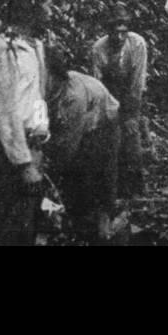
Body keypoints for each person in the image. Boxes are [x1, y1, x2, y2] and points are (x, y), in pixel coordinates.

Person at [0, 0, 51, 246]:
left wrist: (41, 138)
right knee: (8, 229)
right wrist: (23, 163)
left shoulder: (35, 47)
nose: (49, 9)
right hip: (11, 153)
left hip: (32, 145)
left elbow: (36, 97)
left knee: (27, 227)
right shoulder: (3, 49)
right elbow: (4, 110)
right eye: (45, 2)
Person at [47, 45, 121, 243]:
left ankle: (101, 226)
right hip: (87, 122)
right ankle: (78, 220)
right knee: (76, 177)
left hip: (105, 123)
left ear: (55, 75)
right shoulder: (54, 90)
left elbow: (68, 146)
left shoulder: (73, 97)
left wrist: (50, 174)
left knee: (98, 175)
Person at [90, 6, 149, 200]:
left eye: (123, 32)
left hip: (129, 92)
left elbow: (137, 82)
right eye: (115, 32)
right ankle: (114, 189)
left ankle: (136, 188)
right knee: (110, 142)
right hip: (108, 93)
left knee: (131, 139)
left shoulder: (137, 44)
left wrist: (131, 114)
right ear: (108, 31)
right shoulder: (99, 48)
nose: (119, 37)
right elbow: (97, 85)